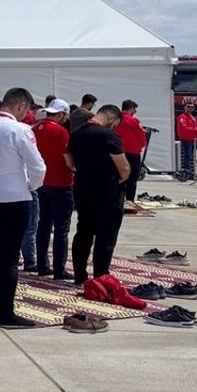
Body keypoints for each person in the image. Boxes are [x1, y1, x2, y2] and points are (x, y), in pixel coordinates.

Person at [0, 88, 46, 328]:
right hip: (14, 197)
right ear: (22, 106)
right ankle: (7, 312)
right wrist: (29, 186)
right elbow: (38, 167)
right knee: (11, 258)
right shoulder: (20, 129)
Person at [70, 105, 131, 284]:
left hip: (83, 189)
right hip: (107, 192)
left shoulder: (76, 133)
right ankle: (101, 275)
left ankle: (79, 274)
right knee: (106, 236)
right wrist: (119, 180)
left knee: (83, 233)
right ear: (111, 118)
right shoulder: (109, 136)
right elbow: (124, 167)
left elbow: (70, 161)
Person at [33, 99, 75, 280]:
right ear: (61, 114)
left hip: (41, 182)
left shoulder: (34, 129)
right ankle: (59, 269)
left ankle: (42, 264)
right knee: (61, 228)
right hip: (61, 183)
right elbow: (68, 161)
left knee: (43, 224)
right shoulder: (61, 132)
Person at [113, 100, 146, 200]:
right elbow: (141, 136)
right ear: (131, 109)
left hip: (118, 152)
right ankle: (130, 200)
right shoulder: (133, 121)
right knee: (132, 178)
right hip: (133, 152)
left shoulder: (115, 119)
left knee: (118, 176)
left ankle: (117, 198)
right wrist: (142, 145)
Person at [176, 103, 197, 178]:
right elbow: (184, 128)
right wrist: (195, 129)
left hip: (192, 139)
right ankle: (186, 173)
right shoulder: (182, 117)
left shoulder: (193, 117)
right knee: (187, 156)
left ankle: (189, 172)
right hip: (186, 139)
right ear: (185, 107)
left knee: (190, 156)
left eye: (192, 107)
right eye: (188, 107)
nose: (190, 108)